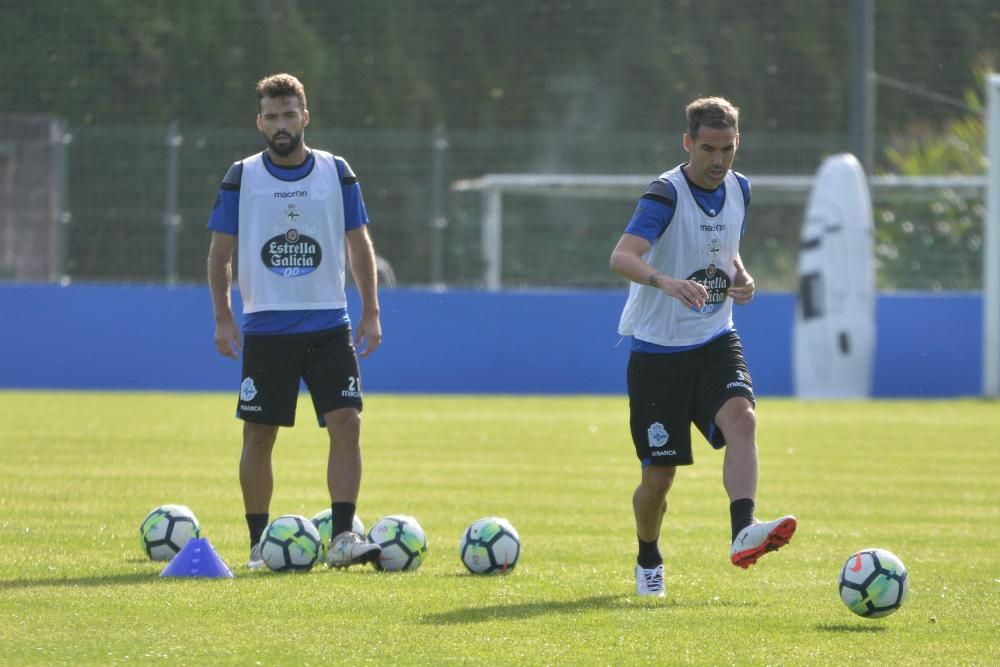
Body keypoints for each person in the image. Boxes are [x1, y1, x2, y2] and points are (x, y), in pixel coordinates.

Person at [609, 96, 796, 598]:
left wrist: (743, 274)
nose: (717, 161)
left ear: (739, 145)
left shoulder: (740, 189)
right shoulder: (664, 195)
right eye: (708, 149)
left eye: (727, 150)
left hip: (715, 338)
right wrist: (663, 281)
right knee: (658, 481)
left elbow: (725, 247)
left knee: (744, 420)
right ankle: (648, 557)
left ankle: (742, 531)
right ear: (688, 143)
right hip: (658, 355)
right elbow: (621, 257)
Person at [207, 73, 382, 570]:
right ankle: (260, 543)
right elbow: (220, 252)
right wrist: (224, 317)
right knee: (259, 436)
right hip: (266, 328)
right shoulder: (241, 175)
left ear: (305, 117)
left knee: (346, 423)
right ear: (258, 121)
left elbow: (358, 243)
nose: (280, 125)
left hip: (330, 325)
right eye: (271, 116)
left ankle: (344, 536)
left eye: (288, 115)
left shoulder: (336, 171)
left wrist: (371, 310)